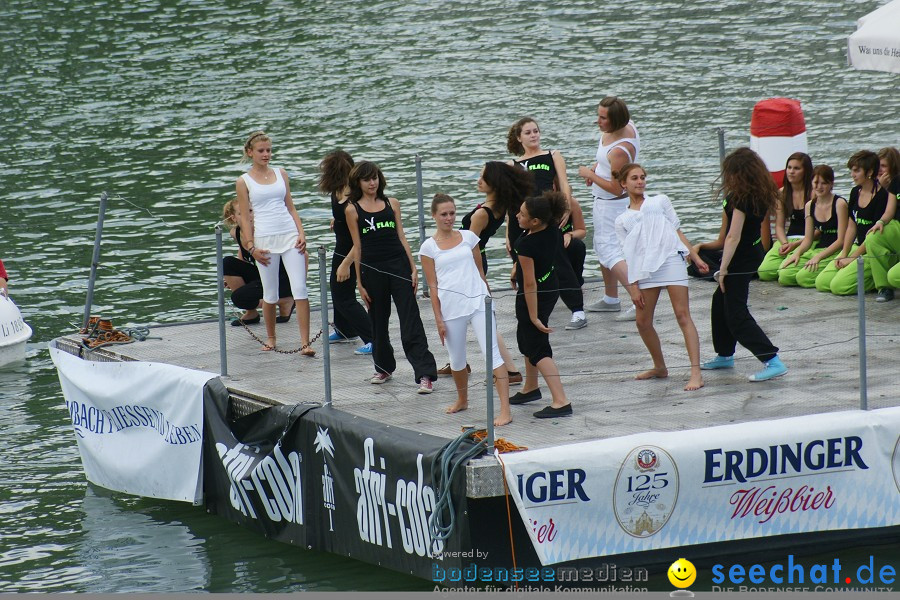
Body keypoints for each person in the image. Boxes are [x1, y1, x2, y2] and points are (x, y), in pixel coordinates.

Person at [613, 164, 708, 391]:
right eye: (634, 178)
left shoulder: (660, 201)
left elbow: (676, 231)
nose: (640, 181)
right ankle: (660, 367)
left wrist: (695, 257)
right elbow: (628, 254)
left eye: (643, 177)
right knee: (642, 321)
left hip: (670, 260)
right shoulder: (622, 219)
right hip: (645, 269)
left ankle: (696, 373)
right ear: (623, 184)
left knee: (682, 314)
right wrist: (632, 286)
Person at [420, 194, 512, 425]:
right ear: (434, 216)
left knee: (492, 354)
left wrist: (488, 297)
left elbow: (480, 272)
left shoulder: (469, 238)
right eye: (444, 214)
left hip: (478, 302)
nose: (449, 218)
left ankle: (505, 410)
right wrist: (438, 320)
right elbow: (433, 287)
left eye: (452, 213)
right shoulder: (428, 247)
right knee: (457, 359)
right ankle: (463, 399)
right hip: (451, 308)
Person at [345, 161, 437, 392]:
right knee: (378, 320)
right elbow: (357, 247)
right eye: (367, 179)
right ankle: (384, 366)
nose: (372, 183)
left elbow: (402, 237)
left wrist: (413, 268)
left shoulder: (391, 203)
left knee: (410, 319)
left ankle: (425, 373)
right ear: (358, 182)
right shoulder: (352, 209)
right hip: (371, 269)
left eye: (375, 177)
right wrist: (359, 282)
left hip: (398, 266)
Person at [701, 147, 787, 382]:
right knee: (720, 303)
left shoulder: (741, 199)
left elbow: (733, 237)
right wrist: (701, 247)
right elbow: (724, 237)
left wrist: (723, 269)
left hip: (741, 258)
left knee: (736, 314)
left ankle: (772, 359)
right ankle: (725, 354)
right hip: (748, 253)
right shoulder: (752, 194)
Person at [445, 161, 528, 384]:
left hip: (469, 264)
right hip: (475, 260)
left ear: (494, 182)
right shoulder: (498, 207)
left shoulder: (483, 214)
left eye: (483, 177)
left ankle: (509, 370)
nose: (478, 180)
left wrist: (479, 277)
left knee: (479, 317)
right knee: (462, 314)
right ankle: (455, 361)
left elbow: (468, 245)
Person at [236, 131, 313, 355]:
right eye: (261, 151)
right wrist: (251, 246)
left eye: (269, 150)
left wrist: (301, 232)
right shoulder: (244, 181)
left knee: (300, 288)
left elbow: (290, 206)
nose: (266, 154)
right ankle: (271, 338)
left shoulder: (281, 173)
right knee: (270, 293)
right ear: (250, 153)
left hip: (289, 235)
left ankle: (305, 343)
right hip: (265, 240)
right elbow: (245, 218)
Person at [508, 117, 587, 330]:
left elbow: (563, 183)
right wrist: (509, 233)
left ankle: (578, 310)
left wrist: (567, 206)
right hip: (522, 217)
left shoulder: (553, 155)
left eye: (536, 131)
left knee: (558, 259)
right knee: (524, 267)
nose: (533, 135)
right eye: (528, 132)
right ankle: (531, 312)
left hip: (546, 214)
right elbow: (511, 201)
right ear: (519, 137)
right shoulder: (512, 165)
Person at [508, 191, 573, 418]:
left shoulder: (527, 244)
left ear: (534, 221)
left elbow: (529, 283)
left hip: (535, 294)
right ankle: (530, 388)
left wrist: (534, 316)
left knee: (538, 347)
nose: (517, 215)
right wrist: (517, 265)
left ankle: (560, 401)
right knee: (526, 340)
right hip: (550, 284)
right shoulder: (552, 228)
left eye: (522, 214)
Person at [577, 96, 641, 321]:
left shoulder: (619, 150)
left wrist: (590, 174)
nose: (598, 121)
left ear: (615, 120)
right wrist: (598, 166)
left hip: (612, 205)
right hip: (603, 202)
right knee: (602, 247)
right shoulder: (622, 129)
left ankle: (638, 299)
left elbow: (618, 189)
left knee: (610, 251)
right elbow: (610, 164)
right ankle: (611, 298)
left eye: (603, 118)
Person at [318, 150, 374, 354]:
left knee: (344, 296)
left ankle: (372, 337)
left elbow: (361, 235)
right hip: (341, 246)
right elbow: (344, 216)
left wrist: (347, 263)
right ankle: (345, 329)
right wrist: (338, 219)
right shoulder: (337, 190)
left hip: (354, 251)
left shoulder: (353, 197)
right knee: (337, 289)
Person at [818, 151, 888, 296]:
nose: (852, 174)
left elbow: (873, 236)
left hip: (871, 251)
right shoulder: (855, 192)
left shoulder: (882, 196)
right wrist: (844, 252)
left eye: (856, 171)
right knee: (822, 282)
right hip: (857, 246)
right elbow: (852, 225)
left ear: (869, 172)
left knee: (838, 287)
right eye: (852, 170)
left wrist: (853, 257)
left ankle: (877, 279)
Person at [221, 199, 295, 326]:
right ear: (234, 218)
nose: (248, 216)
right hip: (261, 274)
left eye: (250, 211)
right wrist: (233, 277)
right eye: (242, 213)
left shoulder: (263, 231)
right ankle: (251, 312)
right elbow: (243, 257)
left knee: (238, 298)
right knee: (227, 262)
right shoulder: (235, 233)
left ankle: (285, 300)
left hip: (279, 278)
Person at [781, 166, 849, 288]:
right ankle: (817, 272)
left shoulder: (840, 204)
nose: (819, 187)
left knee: (803, 278)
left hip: (835, 250)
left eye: (824, 183)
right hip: (818, 248)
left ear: (831, 184)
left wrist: (818, 257)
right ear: (811, 183)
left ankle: (826, 275)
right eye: (816, 182)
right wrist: (797, 253)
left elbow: (841, 240)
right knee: (784, 274)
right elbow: (808, 239)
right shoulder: (809, 205)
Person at [757, 153, 813, 281]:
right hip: (789, 239)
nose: (791, 172)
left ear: (806, 171)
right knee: (764, 272)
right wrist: (784, 243)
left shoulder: (813, 193)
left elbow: (819, 229)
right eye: (789, 167)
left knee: (785, 276)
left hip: (809, 240)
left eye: (796, 168)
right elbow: (779, 225)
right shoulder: (782, 193)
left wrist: (796, 245)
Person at [864, 147, 900, 302]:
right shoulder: (897, 181)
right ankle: (884, 288)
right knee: (873, 237)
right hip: (897, 227)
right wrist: (880, 222)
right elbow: (889, 211)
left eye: (883, 166)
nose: (879, 170)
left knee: (894, 277)